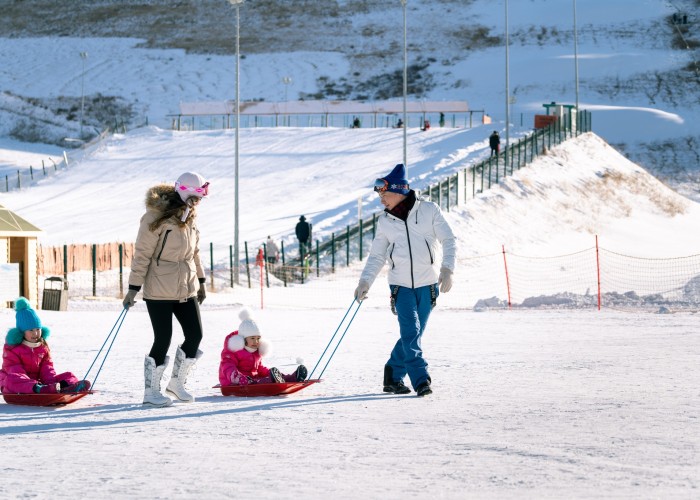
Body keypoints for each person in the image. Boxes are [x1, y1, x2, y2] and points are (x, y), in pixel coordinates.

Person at [353, 164, 456, 398]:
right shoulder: (385, 221)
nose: (381, 201)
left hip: (428, 284)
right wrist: (364, 282)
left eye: (384, 195)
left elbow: (448, 239)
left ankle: (392, 373)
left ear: (399, 192)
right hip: (400, 286)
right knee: (411, 331)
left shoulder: (429, 210)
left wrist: (448, 268)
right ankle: (421, 379)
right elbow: (377, 255)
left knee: (415, 334)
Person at [123, 171, 209, 407]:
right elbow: (142, 254)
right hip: (159, 287)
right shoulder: (154, 217)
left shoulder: (190, 216)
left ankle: (176, 383)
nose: (198, 201)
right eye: (196, 195)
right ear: (184, 192)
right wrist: (133, 288)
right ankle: (151, 392)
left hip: (186, 287)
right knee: (163, 338)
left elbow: (195, 252)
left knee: (195, 335)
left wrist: (200, 281)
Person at [0, 297, 90, 395]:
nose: (35, 333)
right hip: (18, 386)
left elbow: (47, 368)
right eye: (31, 330)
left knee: (69, 375)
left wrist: (51, 383)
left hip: (41, 384)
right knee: (11, 379)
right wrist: (33, 385)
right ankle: (40, 389)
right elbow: (14, 369)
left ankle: (65, 387)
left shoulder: (42, 347)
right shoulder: (13, 348)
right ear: (22, 332)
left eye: (38, 329)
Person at [219, 309, 307, 386]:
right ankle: (273, 380)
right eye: (252, 338)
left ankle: (291, 378)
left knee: (267, 377)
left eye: (258, 338)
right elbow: (227, 367)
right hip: (234, 382)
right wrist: (238, 378)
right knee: (264, 381)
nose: (256, 342)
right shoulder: (233, 351)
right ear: (243, 339)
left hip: (252, 379)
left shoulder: (255, 351)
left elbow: (259, 368)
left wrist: (270, 373)